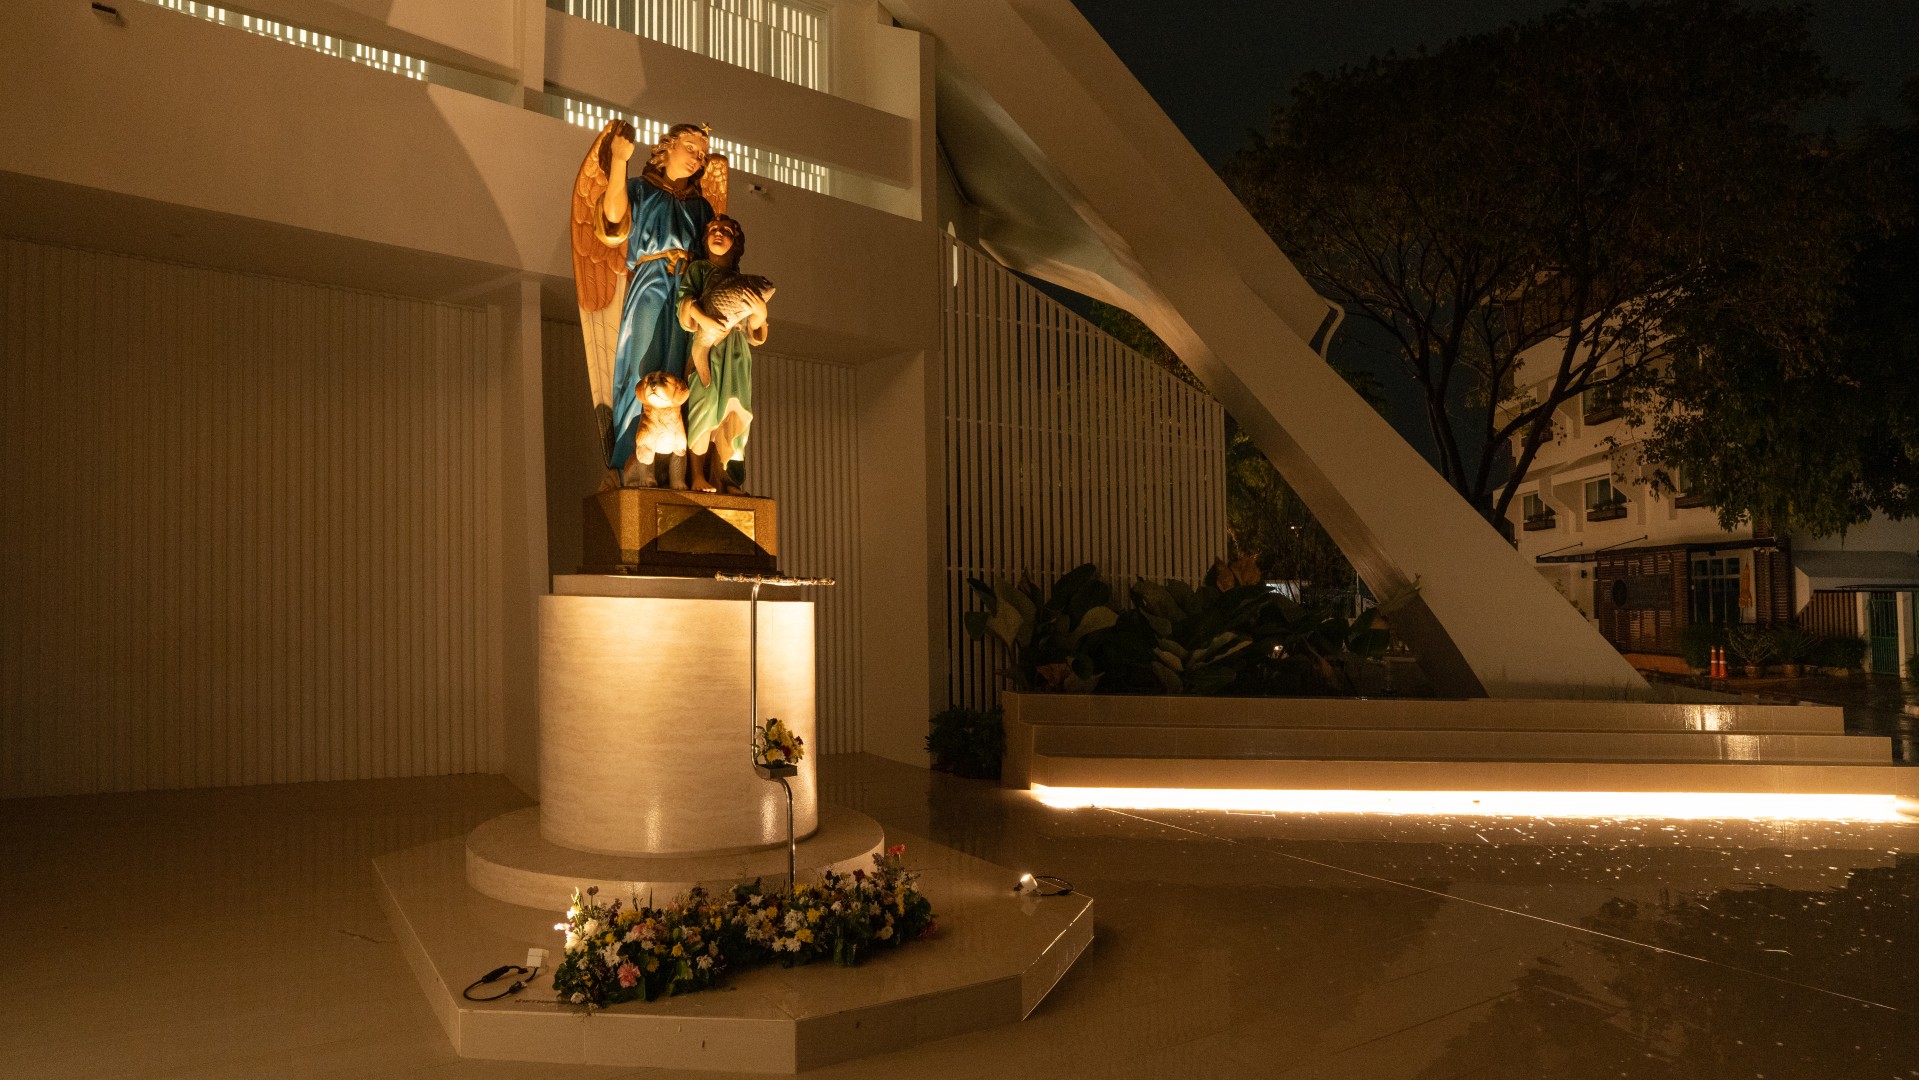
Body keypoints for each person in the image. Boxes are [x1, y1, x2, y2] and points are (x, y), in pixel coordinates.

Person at [601, 123, 716, 487]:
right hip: (651, 281)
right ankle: (632, 464)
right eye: (691, 148)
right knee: (643, 372)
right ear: (667, 147)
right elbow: (613, 223)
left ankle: (670, 468)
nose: (697, 159)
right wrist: (619, 161)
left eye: (702, 154)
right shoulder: (640, 189)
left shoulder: (702, 206)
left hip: (688, 290)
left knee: (679, 375)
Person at [677, 216, 770, 494]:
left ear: (736, 242)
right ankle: (696, 475)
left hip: (737, 354)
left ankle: (722, 476)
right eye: (714, 231)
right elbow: (685, 302)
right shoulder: (699, 270)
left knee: (732, 411)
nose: (719, 234)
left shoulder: (743, 281)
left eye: (726, 232)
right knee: (703, 409)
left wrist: (761, 314)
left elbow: (755, 331)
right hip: (709, 346)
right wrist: (703, 320)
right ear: (705, 240)